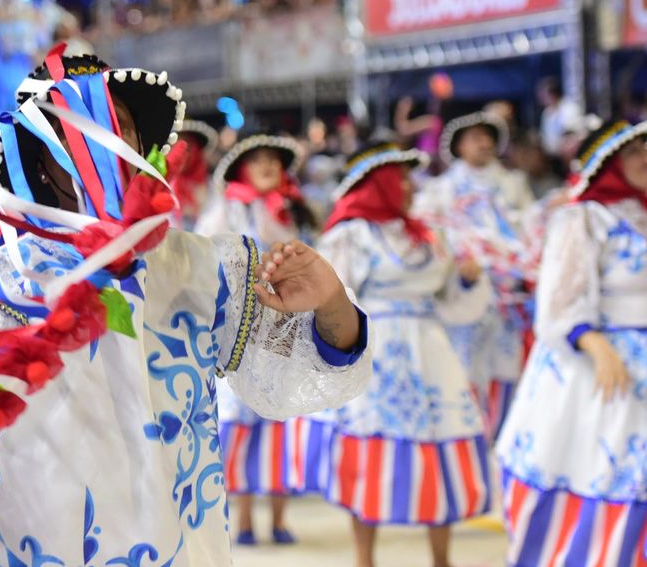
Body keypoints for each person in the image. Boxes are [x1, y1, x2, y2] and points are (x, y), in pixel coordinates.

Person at [0, 52, 371, 565]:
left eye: (120, 124)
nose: (109, 141)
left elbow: (301, 370)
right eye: (79, 128)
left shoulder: (206, 266)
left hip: (180, 546)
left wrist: (331, 302)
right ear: (38, 160)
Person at [311, 142, 493, 567]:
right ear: (378, 184)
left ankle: (441, 558)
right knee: (368, 452)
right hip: (376, 350)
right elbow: (331, 301)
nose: (411, 187)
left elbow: (451, 302)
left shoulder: (428, 235)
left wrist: (466, 281)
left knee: (438, 443)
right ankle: (364, 558)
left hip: (430, 348)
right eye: (401, 179)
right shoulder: (349, 237)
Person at [497, 120, 647, 566]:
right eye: (633, 151)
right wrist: (595, 346)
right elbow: (559, 302)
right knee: (610, 473)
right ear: (608, 163)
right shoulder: (583, 217)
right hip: (601, 364)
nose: (645, 158)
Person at [195, 133, 318, 546]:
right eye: (258, 160)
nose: (267, 166)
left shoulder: (293, 211)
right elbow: (204, 260)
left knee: (283, 419)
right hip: (241, 333)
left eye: (273, 160)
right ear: (241, 170)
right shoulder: (226, 211)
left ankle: (279, 519)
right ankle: (244, 521)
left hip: (287, 332)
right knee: (240, 427)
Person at [415, 112, 536, 436]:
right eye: (475, 137)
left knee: (508, 369)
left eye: (488, 137)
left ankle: (504, 436)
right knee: (463, 366)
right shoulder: (440, 189)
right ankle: (468, 437)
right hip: (463, 292)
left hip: (509, 297)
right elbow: (429, 236)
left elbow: (530, 231)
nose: (484, 143)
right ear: (459, 146)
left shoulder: (513, 183)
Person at [538, 76, 584, 159]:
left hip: (571, 153)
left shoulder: (570, 107)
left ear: (553, 94)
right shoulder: (546, 113)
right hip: (553, 156)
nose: (541, 99)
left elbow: (573, 131)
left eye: (544, 95)